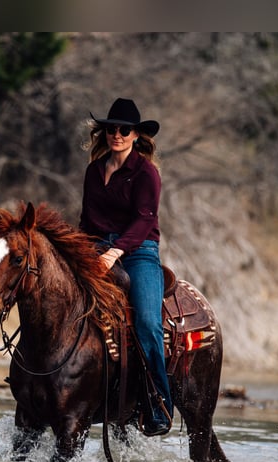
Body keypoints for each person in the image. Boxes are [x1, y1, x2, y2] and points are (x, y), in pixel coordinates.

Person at [79, 97, 173, 437]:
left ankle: (160, 403)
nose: (116, 134)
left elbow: (144, 220)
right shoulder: (94, 171)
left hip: (139, 251)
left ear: (136, 135)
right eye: (110, 129)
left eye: (124, 130)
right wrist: (80, 251)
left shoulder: (146, 173)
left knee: (147, 321)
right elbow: (87, 220)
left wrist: (115, 252)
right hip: (97, 247)